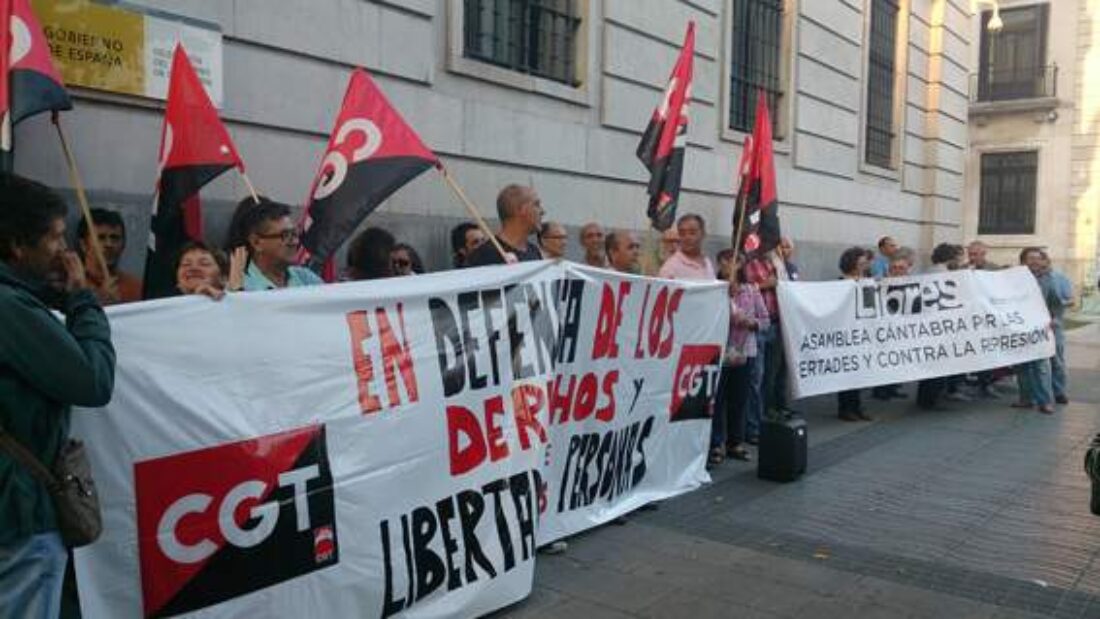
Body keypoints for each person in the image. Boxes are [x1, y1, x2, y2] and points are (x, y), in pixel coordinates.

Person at [0, 174, 115, 619]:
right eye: (53, 237)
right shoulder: (10, 309)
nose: (64, 251)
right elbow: (91, 381)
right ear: (15, 245)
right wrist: (85, 300)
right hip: (18, 518)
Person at [709, 249, 769, 465]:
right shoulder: (713, 289)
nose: (731, 265)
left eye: (735, 261)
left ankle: (735, 442)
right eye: (725, 261)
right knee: (717, 401)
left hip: (745, 352)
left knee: (739, 400)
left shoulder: (751, 290)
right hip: (719, 352)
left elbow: (765, 320)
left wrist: (752, 323)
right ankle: (716, 443)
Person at [228, 197, 323, 291]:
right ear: (256, 242)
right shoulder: (238, 286)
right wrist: (237, 292)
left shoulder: (306, 279)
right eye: (285, 235)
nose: (295, 242)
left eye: (294, 234)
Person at [916, 243, 967, 409]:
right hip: (940, 326)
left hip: (930, 324)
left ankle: (924, 399)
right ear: (950, 258)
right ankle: (930, 401)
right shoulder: (944, 275)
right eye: (957, 258)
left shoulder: (928, 272)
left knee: (930, 365)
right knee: (938, 366)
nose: (959, 261)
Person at [466, 184, 544, 267]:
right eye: (536, 204)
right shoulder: (482, 256)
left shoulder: (534, 251)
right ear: (521, 210)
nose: (542, 211)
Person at [76, 208, 142, 304]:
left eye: (114, 238)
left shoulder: (135, 287)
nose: (109, 244)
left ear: (123, 244)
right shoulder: (74, 286)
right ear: (84, 245)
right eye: (101, 238)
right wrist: (100, 301)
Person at [837, 247, 873, 421]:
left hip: (862, 332)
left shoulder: (867, 281)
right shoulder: (840, 282)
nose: (865, 264)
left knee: (859, 374)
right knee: (846, 373)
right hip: (846, 332)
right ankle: (845, 408)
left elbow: (870, 306)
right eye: (862, 261)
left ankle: (857, 406)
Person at [1040, 250, 1072, 405]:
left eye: (1040, 260)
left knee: (1057, 360)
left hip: (1055, 325)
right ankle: (1040, 393)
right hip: (1037, 325)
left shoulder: (1059, 278)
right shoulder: (1032, 278)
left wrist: (1060, 302)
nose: (1037, 263)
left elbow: (1070, 300)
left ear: (1047, 261)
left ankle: (1059, 391)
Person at [658, 214, 715, 281]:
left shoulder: (707, 262)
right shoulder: (671, 267)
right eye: (682, 234)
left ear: (703, 234)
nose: (687, 237)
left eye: (692, 233)